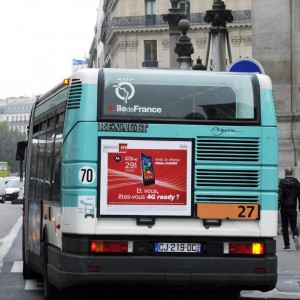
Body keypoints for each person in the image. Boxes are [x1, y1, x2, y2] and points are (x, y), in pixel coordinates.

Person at [278, 167, 300, 250]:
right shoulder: (297, 183)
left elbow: (280, 196)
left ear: (285, 173)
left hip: (284, 208)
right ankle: (295, 235)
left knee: (284, 226)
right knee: (293, 225)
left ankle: (287, 245)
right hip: (292, 208)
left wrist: (278, 206)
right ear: (292, 173)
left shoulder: (282, 183)